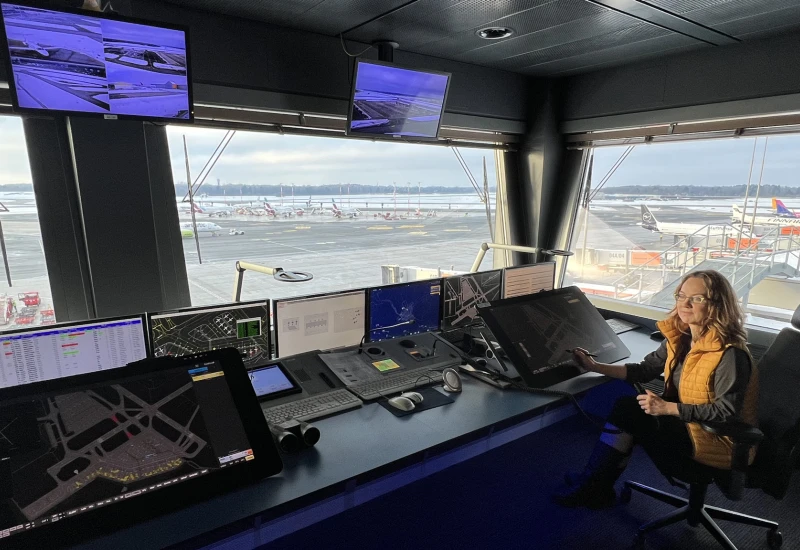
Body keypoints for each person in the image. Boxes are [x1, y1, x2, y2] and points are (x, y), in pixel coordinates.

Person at [553, 270, 758, 509]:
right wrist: (595, 365)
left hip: (718, 439)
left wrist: (667, 408)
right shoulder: (681, 337)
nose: (686, 304)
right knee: (628, 409)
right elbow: (645, 369)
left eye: (697, 298)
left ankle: (595, 485)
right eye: (681, 296)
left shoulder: (730, 354)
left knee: (628, 410)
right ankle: (596, 483)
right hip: (690, 425)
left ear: (717, 306)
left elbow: (725, 413)